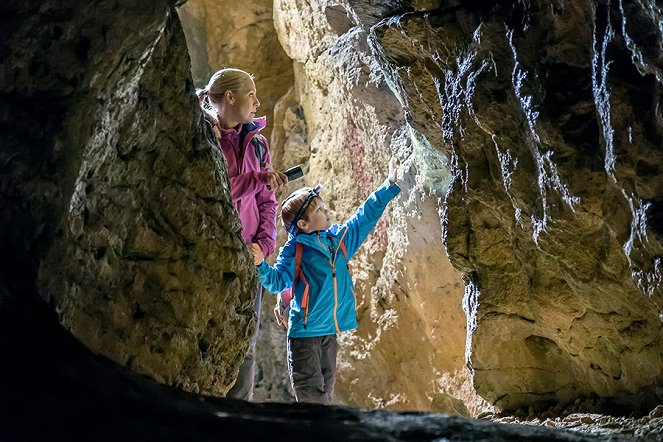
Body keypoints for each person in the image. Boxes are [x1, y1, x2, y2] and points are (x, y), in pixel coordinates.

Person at [250, 159, 401, 404]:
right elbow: (277, 281)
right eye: (319, 210)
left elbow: (363, 219)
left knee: (325, 395)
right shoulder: (296, 249)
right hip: (304, 336)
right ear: (303, 224)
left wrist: (389, 186)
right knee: (312, 401)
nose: (326, 210)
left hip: (329, 332)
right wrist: (260, 264)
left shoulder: (337, 242)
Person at [197, 68, 288, 400]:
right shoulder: (202, 136)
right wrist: (257, 180)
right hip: (209, 253)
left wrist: (264, 246)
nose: (257, 101)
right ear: (230, 97)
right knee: (204, 338)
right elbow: (213, 192)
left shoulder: (259, 144)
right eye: (251, 93)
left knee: (245, 344)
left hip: (248, 256)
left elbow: (267, 201)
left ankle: (238, 421)